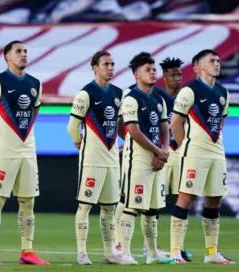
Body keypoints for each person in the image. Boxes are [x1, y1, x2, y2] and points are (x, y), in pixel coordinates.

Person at [0, 40, 49, 266]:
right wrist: (0, 140)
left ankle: (27, 251)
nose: (24, 55)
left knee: (28, 202)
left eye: (26, 51)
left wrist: (22, 138)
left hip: (27, 151)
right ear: (7, 57)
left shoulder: (35, 84)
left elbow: (33, 114)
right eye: (18, 51)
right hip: (4, 152)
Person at [169, 49, 234, 264]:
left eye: (218, 60)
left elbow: (220, 123)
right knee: (186, 197)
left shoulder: (224, 92)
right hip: (195, 153)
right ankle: (175, 251)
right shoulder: (189, 91)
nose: (217, 63)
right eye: (212, 61)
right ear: (198, 68)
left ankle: (211, 252)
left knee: (214, 200)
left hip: (216, 152)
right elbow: (175, 123)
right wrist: (186, 145)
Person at [118, 52, 175, 265]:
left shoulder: (159, 98)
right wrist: (158, 152)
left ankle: (152, 254)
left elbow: (164, 128)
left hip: (156, 160)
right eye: (147, 70)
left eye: (153, 70)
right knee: (132, 206)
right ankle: (124, 253)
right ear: (136, 75)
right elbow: (133, 130)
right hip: (139, 160)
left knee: (152, 209)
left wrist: (164, 151)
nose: (152, 73)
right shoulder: (131, 98)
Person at [67, 51, 124, 265]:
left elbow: (118, 126)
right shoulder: (85, 94)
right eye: (106, 64)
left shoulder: (119, 93)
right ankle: (82, 252)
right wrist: (79, 143)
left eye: (112, 64)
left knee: (109, 208)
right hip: (91, 160)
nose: (110, 67)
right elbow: (72, 126)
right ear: (95, 67)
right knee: (85, 206)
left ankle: (109, 252)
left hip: (112, 161)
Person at [155, 57, 192, 262]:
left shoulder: (187, 96)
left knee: (183, 198)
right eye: (173, 75)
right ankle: (151, 246)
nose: (177, 78)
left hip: (181, 151)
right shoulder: (157, 97)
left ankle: (178, 246)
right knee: (156, 200)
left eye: (179, 74)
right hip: (162, 151)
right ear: (165, 77)